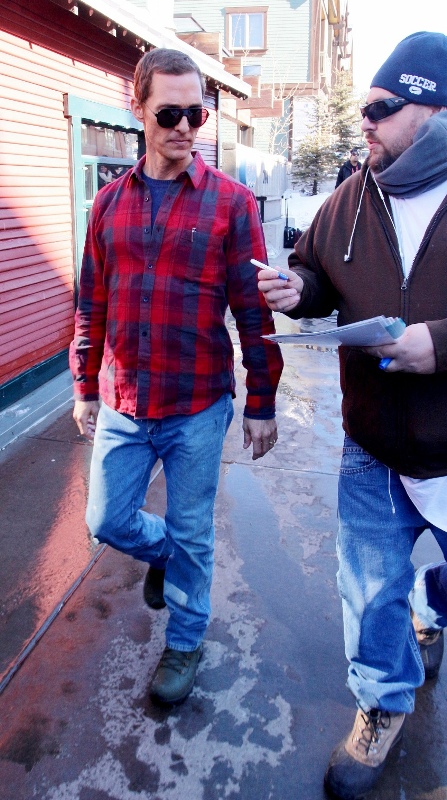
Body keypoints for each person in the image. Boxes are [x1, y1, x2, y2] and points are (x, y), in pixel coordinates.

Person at [258, 31, 447, 800]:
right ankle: (382, 702)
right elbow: (314, 272)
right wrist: (294, 291)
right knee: (367, 592)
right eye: (362, 108)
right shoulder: (353, 193)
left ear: (434, 112)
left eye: (382, 107)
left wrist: (438, 344)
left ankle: (433, 612)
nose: (362, 121)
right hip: (370, 442)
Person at [70, 48, 283, 705]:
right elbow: (91, 301)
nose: (186, 126)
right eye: (170, 113)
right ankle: (167, 554)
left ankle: (185, 643)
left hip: (196, 406)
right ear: (138, 110)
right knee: (107, 519)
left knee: (193, 529)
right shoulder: (108, 204)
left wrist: (262, 399)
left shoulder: (232, 204)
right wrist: (84, 385)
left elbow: (253, 311)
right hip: (124, 401)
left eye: (197, 114)